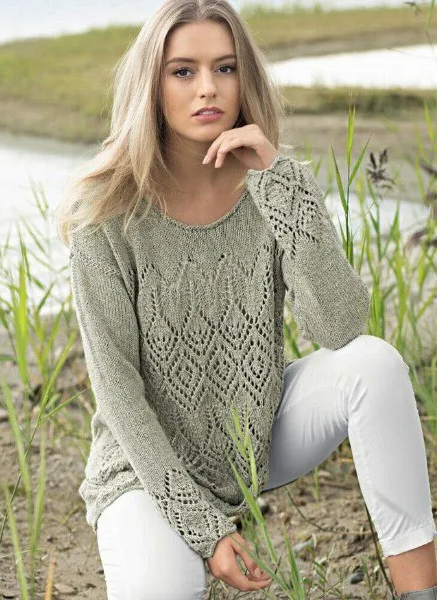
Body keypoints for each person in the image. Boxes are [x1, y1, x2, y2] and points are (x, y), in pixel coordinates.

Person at [55, 1, 437, 598]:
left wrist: (279, 180)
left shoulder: (273, 186)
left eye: (225, 68)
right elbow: (120, 396)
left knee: (375, 364)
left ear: (244, 79)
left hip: (255, 434)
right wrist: (206, 530)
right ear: (151, 85)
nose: (208, 87)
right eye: (183, 71)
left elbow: (340, 325)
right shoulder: (104, 214)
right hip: (144, 470)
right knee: (163, 589)